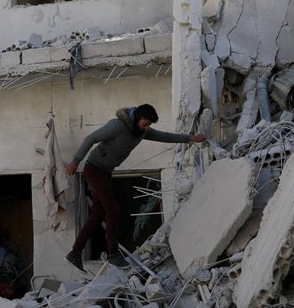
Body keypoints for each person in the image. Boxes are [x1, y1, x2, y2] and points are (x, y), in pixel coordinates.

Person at [65, 104, 206, 270]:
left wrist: (190, 138)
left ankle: (74, 254)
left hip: (105, 172)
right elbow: (91, 139)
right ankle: (113, 255)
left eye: (149, 125)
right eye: (145, 124)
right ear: (137, 118)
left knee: (97, 215)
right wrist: (76, 160)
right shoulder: (117, 126)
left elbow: (164, 136)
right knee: (113, 211)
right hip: (94, 169)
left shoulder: (141, 131)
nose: (147, 128)